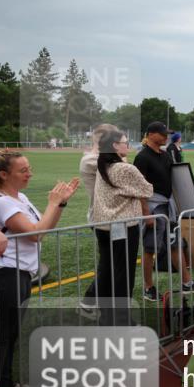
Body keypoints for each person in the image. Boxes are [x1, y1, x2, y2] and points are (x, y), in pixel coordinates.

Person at [0, 149, 79, 387]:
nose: (29, 174)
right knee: (0, 337)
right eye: (23, 170)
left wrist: (59, 204)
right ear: (4, 174)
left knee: (10, 334)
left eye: (29, 168)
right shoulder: (0, 203)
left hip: (19, 274)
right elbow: (34, 235)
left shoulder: (20, 198)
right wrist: (53, 203)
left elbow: (43, 228)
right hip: (4, 275)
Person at [134, 122, 194, 302]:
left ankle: (187, 283)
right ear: (150, 134)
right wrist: (146, 213)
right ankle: (148, 288)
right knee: (150, 249)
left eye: (167, 133)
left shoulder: (165, 155)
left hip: (168, 207)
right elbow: (139, 188)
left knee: (176, 245)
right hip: (154, 208)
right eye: (161, 133)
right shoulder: (142, 157)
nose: (165, 136)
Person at [93, 128, 154, 324]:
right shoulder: (124, 168)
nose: (128, 146)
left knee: (107, 271)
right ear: (114, 146)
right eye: (125, 142)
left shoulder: (104, 165)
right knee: (123, 274)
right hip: (123, 226)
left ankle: (106, 317)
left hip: (103, 225)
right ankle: (121, 318)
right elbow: (147, 190)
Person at [77, 123, 119, 317]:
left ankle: (97, 300)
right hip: (102, 218)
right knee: (109, 262)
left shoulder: (103, 158)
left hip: (113, 216)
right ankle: (90, 301)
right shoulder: (91, 160)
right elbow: (123, 171)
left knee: (114, 261)